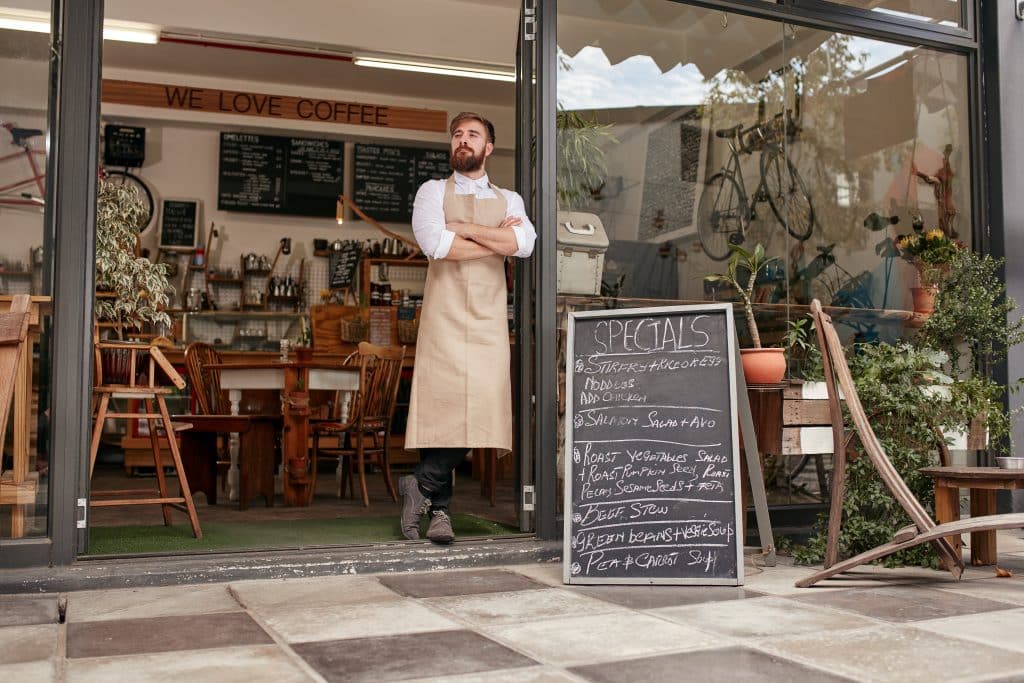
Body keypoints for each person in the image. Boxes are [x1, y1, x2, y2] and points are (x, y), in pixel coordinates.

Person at [400, 112, 536, 544]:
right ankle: (440, 514)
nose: (463, 140)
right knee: (442, 411)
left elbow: (525, 245)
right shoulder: (430, 191)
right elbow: (436, 245)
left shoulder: (510, 199)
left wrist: (465, 230)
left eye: (472, 135)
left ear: (488, 147)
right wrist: (494, 241)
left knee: (481, 409)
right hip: (443, 319)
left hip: (487, 321)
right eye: (457, 135)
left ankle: (419, 484)